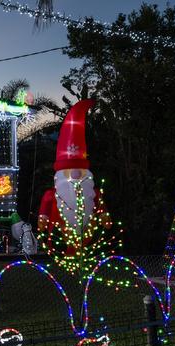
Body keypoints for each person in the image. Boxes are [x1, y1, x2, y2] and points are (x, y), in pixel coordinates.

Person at [37, 99, 111, 255]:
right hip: (59, 233)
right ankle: (65, 251)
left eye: (79, 170)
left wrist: (105, 215)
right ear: (60, 175)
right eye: (70, 170)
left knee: (90, 236)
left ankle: (85, 250)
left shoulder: (93, 192)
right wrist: (42, 217)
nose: (76, 175)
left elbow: (101, 205)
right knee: (61, 241)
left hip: (89, 232)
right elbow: (46, 204)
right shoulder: (53, 194)